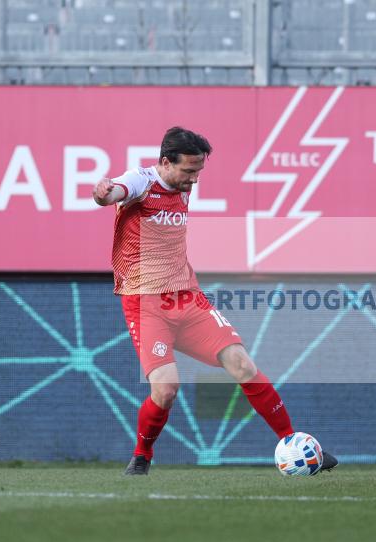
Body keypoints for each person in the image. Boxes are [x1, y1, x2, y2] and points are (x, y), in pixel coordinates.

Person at [92, 126, 337, 476]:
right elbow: (113, 192)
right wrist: (104, 192)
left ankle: (292, 442)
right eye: (189, 171)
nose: (193, 180)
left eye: (199, 172)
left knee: (242, 364)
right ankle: (142, 456)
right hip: (146, 305)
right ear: (165, 162)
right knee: (166, 389)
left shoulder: (182, 187)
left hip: (187, 299)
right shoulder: (141, 182)